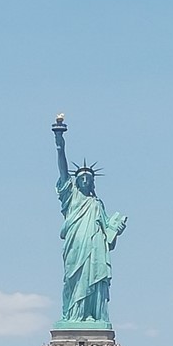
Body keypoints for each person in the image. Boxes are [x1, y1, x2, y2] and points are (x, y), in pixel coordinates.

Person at [53, 118, 126, 323]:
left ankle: (91, 315)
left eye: (89, 178)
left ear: (92, 182)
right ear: (75, 181)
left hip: (94, 248)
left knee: (93, 279)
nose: (85, 180)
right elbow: (62, 167)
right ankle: (74, 315)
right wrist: (59, 142)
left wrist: (115, 228)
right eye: (81, 178)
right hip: (75, 245)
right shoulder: (71, 197)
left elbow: (107, 233)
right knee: (73, 280)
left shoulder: (97, 204)